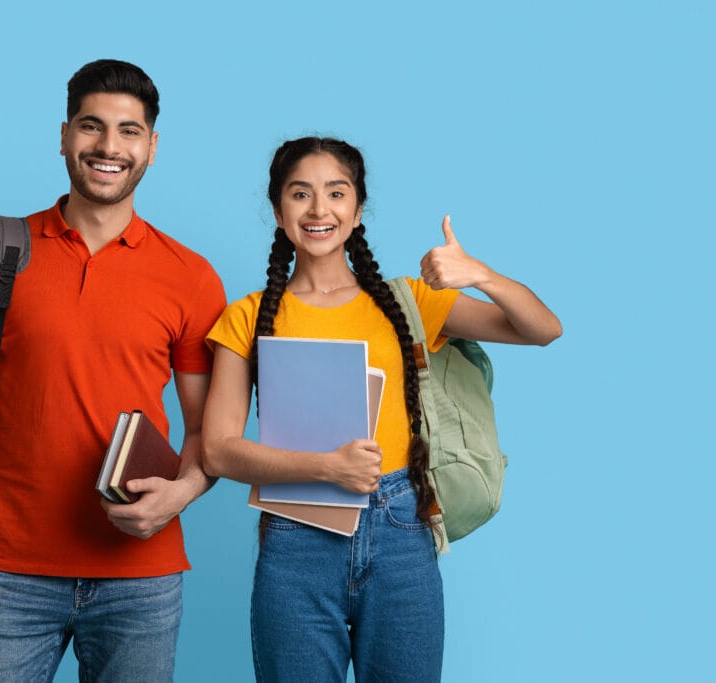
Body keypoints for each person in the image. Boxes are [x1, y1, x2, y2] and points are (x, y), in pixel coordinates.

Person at [0, 59, 226, 682]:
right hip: (7, 572)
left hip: (140, 577)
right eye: (91, 127)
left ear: (152, 147)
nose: (109, 146)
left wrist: (182, 493)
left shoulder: (190, 277)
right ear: (63, 136)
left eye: (128, 131)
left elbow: (208, 435)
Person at [201, 136, 562, 681]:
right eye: (301, 194)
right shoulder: (247, 317)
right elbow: (218, 451)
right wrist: (325, 468)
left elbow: (543, 330)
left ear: (357, 209)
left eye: (336, 193)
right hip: (295, 541)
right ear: (278, 211)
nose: (319, 209)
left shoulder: (409, 302)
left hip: (401, 529)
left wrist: (480, 275)